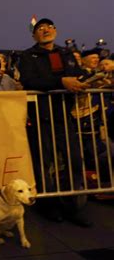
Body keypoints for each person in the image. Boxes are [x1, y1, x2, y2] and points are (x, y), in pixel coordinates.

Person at [18, 18, 92, 227]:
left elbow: (78, 75)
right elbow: (29, 81)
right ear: (34, 35)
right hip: (41, 116)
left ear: (56, 31)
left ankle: (71, 206)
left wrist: (92, 79)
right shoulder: (27, 56)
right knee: (44, 162)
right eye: (40, 29)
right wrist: (60, 82)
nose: (45, 31)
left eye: (49, 27)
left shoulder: (66, 53)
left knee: (74, 159)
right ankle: (48, 205)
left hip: (63, 116)